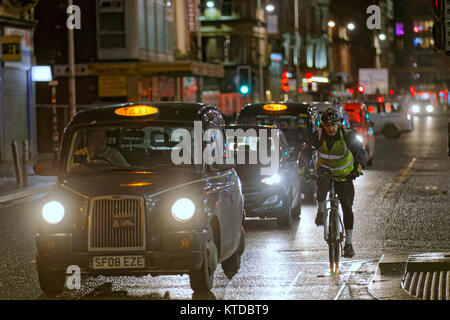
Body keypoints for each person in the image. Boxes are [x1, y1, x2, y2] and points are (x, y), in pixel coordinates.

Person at [299, 107, 366, 258]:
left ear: (339, 124)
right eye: (327, 126)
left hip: (345, 175)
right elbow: (306, 153)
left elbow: (360, 153)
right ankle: (321, 211)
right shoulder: (318, 135)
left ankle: (348, 244)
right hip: (324, 172)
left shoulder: (347, 135)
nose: (331, 128)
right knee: (321, 187)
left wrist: (358, 167)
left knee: (347, 207)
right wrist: (304, 169)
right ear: (323, 126)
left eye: (334, 125)